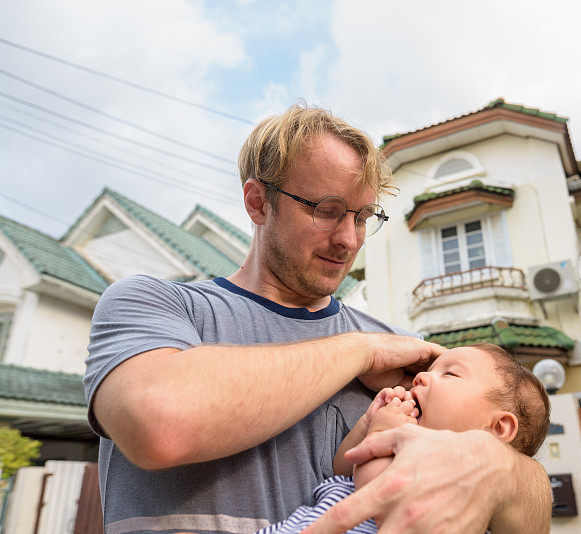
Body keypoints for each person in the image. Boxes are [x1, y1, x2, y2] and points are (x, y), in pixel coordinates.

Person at [83, 105, 552, 534]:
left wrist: (501, 468)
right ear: (258, 202)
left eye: (364, 217)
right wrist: (358, 348)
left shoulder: (414, 360)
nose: (349, 239)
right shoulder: (153, 304)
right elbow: (160, 424)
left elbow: (526, 505)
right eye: (327, 211)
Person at [255, 343, 551, 534]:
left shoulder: (454, 485)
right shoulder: (398, 441)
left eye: (450, 375)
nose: (421, 378)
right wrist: (369, 423)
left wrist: (382, 432)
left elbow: (373, 483)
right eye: (429, 370)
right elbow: (343, 467)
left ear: (497, 428)